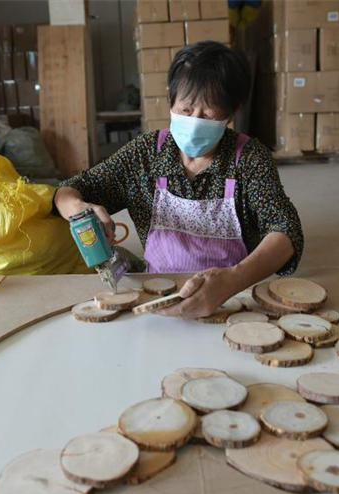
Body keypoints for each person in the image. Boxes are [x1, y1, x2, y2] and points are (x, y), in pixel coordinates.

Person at [55, 41, 303, 318]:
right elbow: (68, 191)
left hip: (233, 299)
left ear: (233, 112)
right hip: (158, 296)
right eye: (186, 110)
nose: (195, 120)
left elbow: (285, 230)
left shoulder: (249, 159)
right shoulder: (145, 154)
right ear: (171, 100)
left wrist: (233, 279)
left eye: (209, 113)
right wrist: (79, 210)